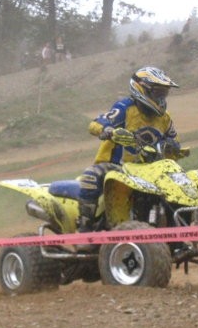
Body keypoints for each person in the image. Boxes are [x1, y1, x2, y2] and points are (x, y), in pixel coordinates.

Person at [75, 66, 181, 250]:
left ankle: (177, 233)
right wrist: (106, 130)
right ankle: (86, 231)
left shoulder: (164, 118)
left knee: (176, 186)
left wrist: (173, 146)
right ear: (142, 89)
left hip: (148, 169)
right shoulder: (125, 108)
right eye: (158, 93)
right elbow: (96, 123)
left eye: (164, 94)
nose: (161, 99)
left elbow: (174, 140)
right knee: (92, 176)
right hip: (116, 166)